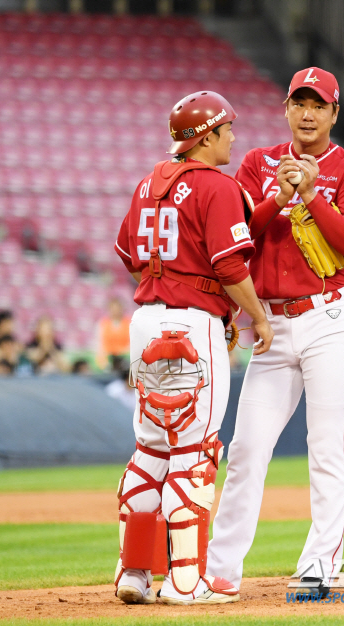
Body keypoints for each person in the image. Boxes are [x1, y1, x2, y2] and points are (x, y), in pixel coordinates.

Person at [207, 68, 344, 600]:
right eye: (298, 102)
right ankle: (221, 571)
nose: (307, 112)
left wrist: (312, 195)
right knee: (246, 449)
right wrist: (276, 199)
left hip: (329, 318)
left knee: (325, 447)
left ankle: (319, 567)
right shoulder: (258, 164)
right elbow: (237, 237)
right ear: (285, 108)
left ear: (333, 113)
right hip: (272, 324)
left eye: (317, 104)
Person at [113, 91, 273, 606]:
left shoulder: (147, 183)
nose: (232, 138)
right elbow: (229, 266)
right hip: (192, 324)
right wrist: (255, 315)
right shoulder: (215, 186)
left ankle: (133, 574)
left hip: (146, 320)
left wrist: (169, 287)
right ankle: (186, 580)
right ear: (205, 136)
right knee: (195, 450)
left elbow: (129, 256)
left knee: (151, 447)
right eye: (226, 130)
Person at [96, 297, 131, 371]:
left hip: (125, 355)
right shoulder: (103, 323)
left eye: (117, 308)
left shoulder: (129, 323)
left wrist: (123, 352)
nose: (115, 311)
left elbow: (132, 342)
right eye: (113, 308)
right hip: (108, 356)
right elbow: (100, 342)